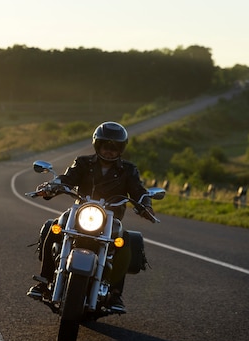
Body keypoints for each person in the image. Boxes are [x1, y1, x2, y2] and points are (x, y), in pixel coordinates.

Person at [27, 121, 155, 313]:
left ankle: (115, 294)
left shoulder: (128, 170)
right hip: (81, 212)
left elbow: (138, 190)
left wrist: (146, 204)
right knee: (53, 226)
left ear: (121, 148)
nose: (109, 151)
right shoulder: (83, 163)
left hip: (111, 218)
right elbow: (67, 178)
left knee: (125, 240)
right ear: (97, 145)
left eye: (115, 147)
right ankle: (44, 281)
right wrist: (51, 187)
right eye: (106, 146)